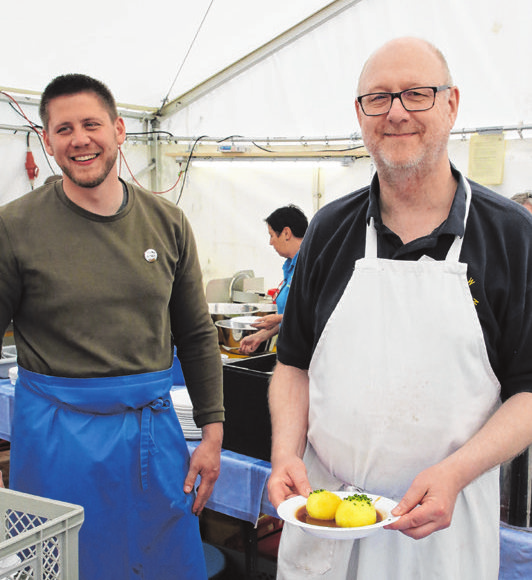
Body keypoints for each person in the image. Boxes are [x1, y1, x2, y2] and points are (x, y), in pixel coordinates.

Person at [268, 37, 532, 580]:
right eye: (378, 98)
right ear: (360, 114)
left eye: (416, 94)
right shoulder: (328, 230)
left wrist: (458, 472)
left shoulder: (510, 235)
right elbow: (292, 364)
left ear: (451, 103)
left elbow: (528, 393)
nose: (396, 113)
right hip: (327, 516)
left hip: (441, 531)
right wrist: (284, 453)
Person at [0, 74, 224, 580]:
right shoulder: (14, 227)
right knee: (63, 565)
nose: (79, 139)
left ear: (120, 130)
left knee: (162, 562)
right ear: (48, 141)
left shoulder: (167, 222)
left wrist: (212, 435)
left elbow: (195, 335)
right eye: (64, 129)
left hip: (151, 434)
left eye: (91, 124)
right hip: (55, 437)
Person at [239, 205, 308, 355]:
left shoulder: (310, 265)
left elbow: (313, 313)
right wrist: (261, 336)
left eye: (271, 235)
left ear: (286, 233)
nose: (270, 242)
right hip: (290, 350)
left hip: (305, 354)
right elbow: (290, 317)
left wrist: (277, 318)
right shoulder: (291, 267)